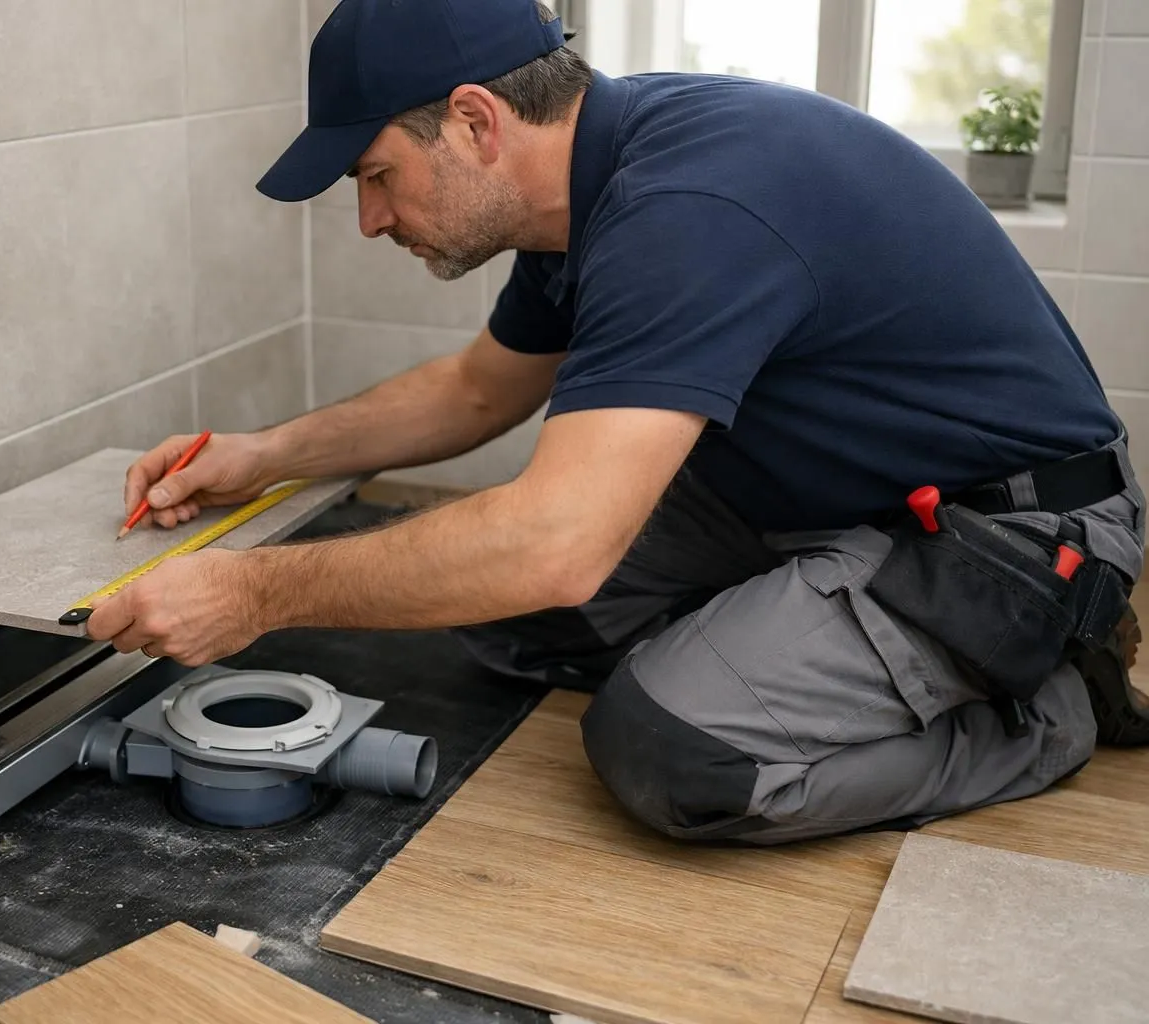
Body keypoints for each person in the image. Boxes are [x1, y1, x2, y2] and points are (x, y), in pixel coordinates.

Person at [84, 0, 1146, 844]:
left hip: (1001, 537)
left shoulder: (686, 208)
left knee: (671, 748)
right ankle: (798, 642)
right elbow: (477, 392)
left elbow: (555, 544)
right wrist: (261, 457)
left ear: (474, 122)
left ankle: (1052, 714)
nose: (369, 220)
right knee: (501, 618)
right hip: (815, 493)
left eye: (376, 177)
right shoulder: (580, 193)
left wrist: (252, 592)